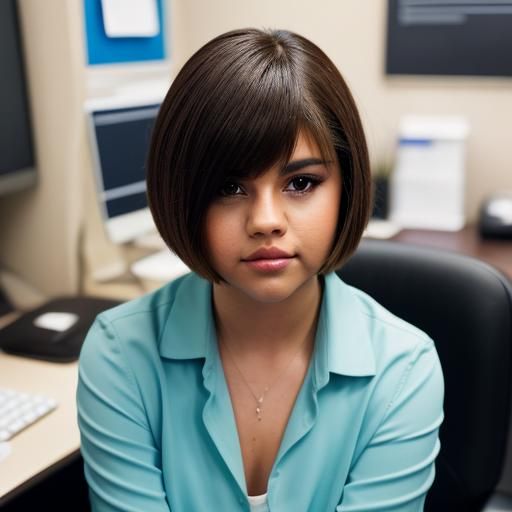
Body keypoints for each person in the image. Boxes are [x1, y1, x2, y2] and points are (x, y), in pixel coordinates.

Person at [77, 28, 444, 512]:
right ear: (183, 195)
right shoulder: (120, 356)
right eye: (230, 187)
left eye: (301, 182)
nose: (266, 220)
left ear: (346, 189)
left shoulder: (404, 370)